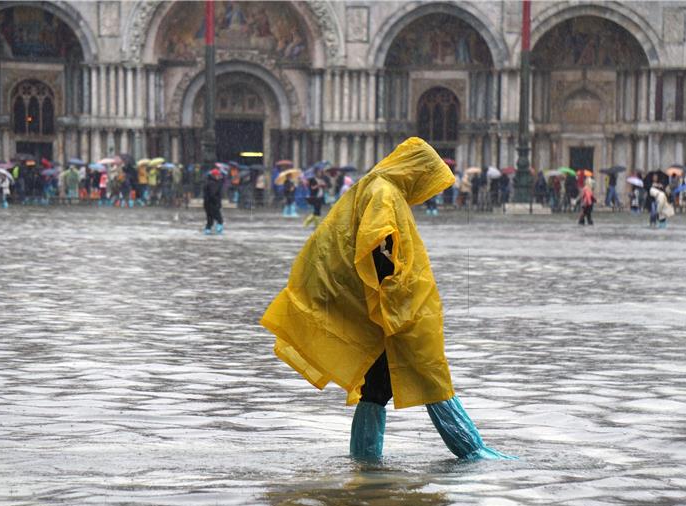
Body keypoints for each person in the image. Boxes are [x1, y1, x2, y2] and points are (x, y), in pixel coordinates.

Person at [260, 137, 515, 462]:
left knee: (380, 384)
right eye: (427, 179)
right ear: (416, 171)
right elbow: (378, 248)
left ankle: (366, 464)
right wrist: (392, 301)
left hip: (380, 305)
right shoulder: (383, 193)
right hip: (389, 307)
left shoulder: (378, 188)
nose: (427, 190)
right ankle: (468, 449)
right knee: (424, 371)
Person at [202, 167, 224, 234]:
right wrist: (217, 202)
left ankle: (207, 231)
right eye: (218, 175)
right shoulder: (214, 183)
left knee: (210, 220)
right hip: (213, 204)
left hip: (207, 204)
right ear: (214, 175)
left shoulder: (207, 182)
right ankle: (219, 232)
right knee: (220, 219)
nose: (219, 176)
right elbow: (213, 194)